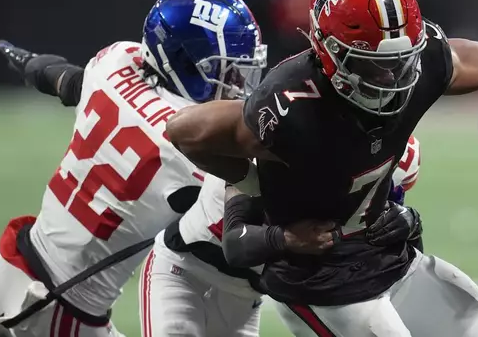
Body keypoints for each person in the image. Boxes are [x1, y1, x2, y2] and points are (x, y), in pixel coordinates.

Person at [166, 0, 478, 336]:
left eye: (401, 61)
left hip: (387, 259)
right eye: (374, 65)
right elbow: (184, 130)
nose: (393, 77)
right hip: (323, 286)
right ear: (327, 52)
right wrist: (250, 183)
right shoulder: (289, 106)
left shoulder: (419, 68)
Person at [0, 0, 266, 337]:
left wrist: (33, 65)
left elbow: (70, 81)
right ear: (185, 63)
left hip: (11, 266)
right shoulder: (194, 148)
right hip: (59, 310)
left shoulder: (115, 61)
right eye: (228, 74)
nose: (237, 86)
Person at [140, 133, 420, 337]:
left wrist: (410, 225)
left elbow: (402, 275)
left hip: (244, 298)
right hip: (186, 271)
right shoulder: (275, 154)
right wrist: (286, 239)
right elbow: (236, 247)